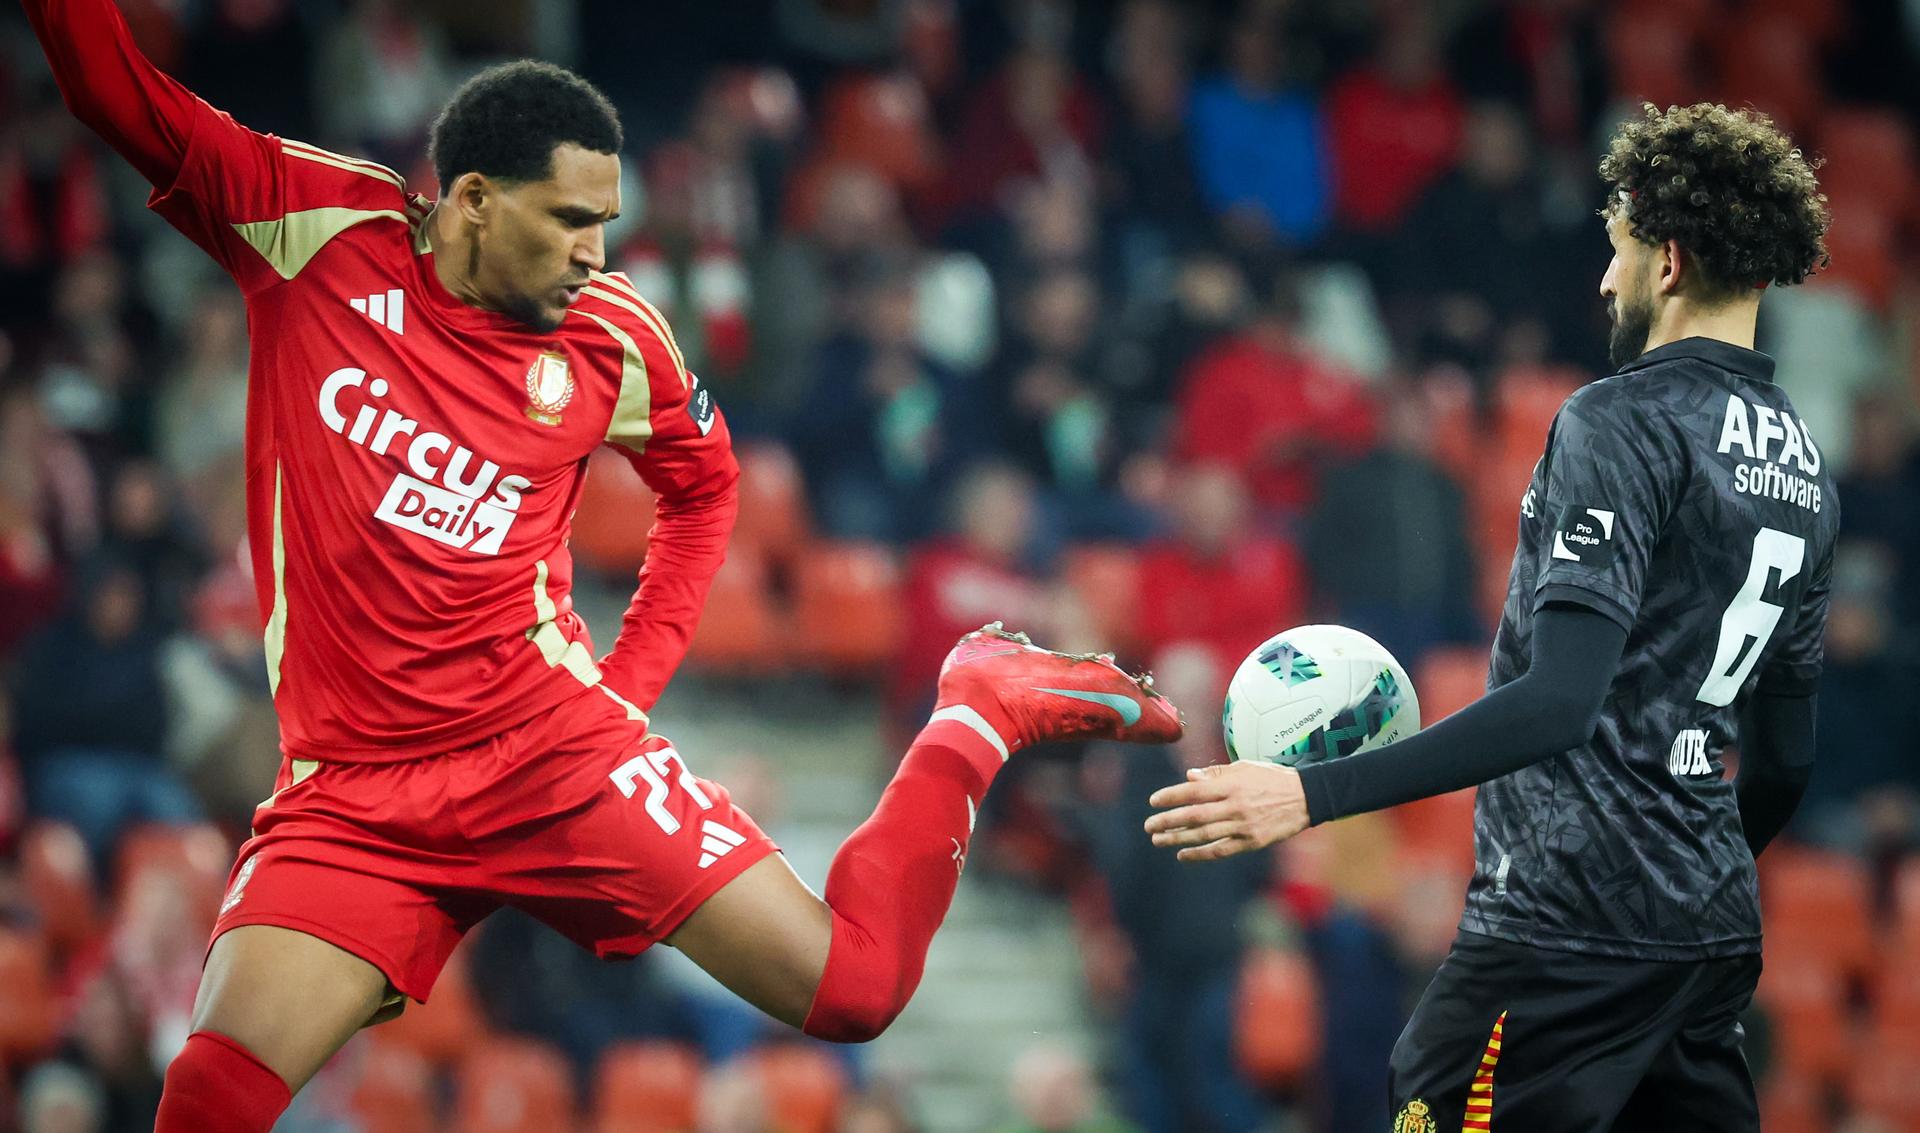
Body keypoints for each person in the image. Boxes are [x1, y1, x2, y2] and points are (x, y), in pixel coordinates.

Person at [23, 5, 1186, 1132]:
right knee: (207, 1102)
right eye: (571, 219)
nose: (597, 251)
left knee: (855, 989)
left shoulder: (614, 335)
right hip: (355, 794)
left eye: (608, 222)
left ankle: (977, 707)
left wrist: (628, 684)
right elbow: (107, 85)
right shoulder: (313, 227)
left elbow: (708, 485)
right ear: (472, 200)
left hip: (549, 752)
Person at [1147, 102, 1835, 1131]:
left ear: (1672, 261)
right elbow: (1780, 766)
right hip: (1707, 941)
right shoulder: (1807, 470)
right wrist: (1681, 883)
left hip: (1564, 929)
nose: (1606, 279)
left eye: (1620, 251)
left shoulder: (1619, 417)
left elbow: (1556, 702)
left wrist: (1309, 792)